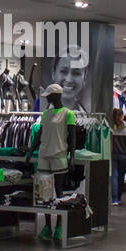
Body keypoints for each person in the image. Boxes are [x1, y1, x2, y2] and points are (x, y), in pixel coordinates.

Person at [34, 83, 76, 241]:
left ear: (56, 95)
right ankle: (47, 226)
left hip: (59, 155)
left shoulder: (68, 114)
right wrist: (31, 151)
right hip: (44, 155)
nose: (48, 98)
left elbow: (72, 137)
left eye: (50, 96)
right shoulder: (46, 114)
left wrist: (72, 156)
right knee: (44, 192)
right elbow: (40, 133)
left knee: (59, 192)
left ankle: (59, 225)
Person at [109, 108, 126, 205]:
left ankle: (114, 199)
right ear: (122, 116)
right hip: (125, 154)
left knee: (114, 176)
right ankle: (118, 197)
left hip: (114, 153)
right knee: (121, 176)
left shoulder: (111, 125)